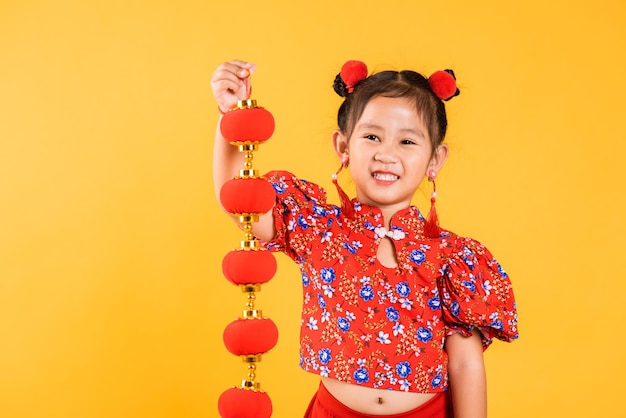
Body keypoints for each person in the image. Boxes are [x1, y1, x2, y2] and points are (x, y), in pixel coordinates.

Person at [211, 59, 518, 418]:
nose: (386, 153)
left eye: (407, 140)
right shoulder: (318, 229)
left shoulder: (452, 257)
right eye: (372, 136)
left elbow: (466, 367)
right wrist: (229, 116)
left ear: (435, 158)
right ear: (343, 146)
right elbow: (240, 201)